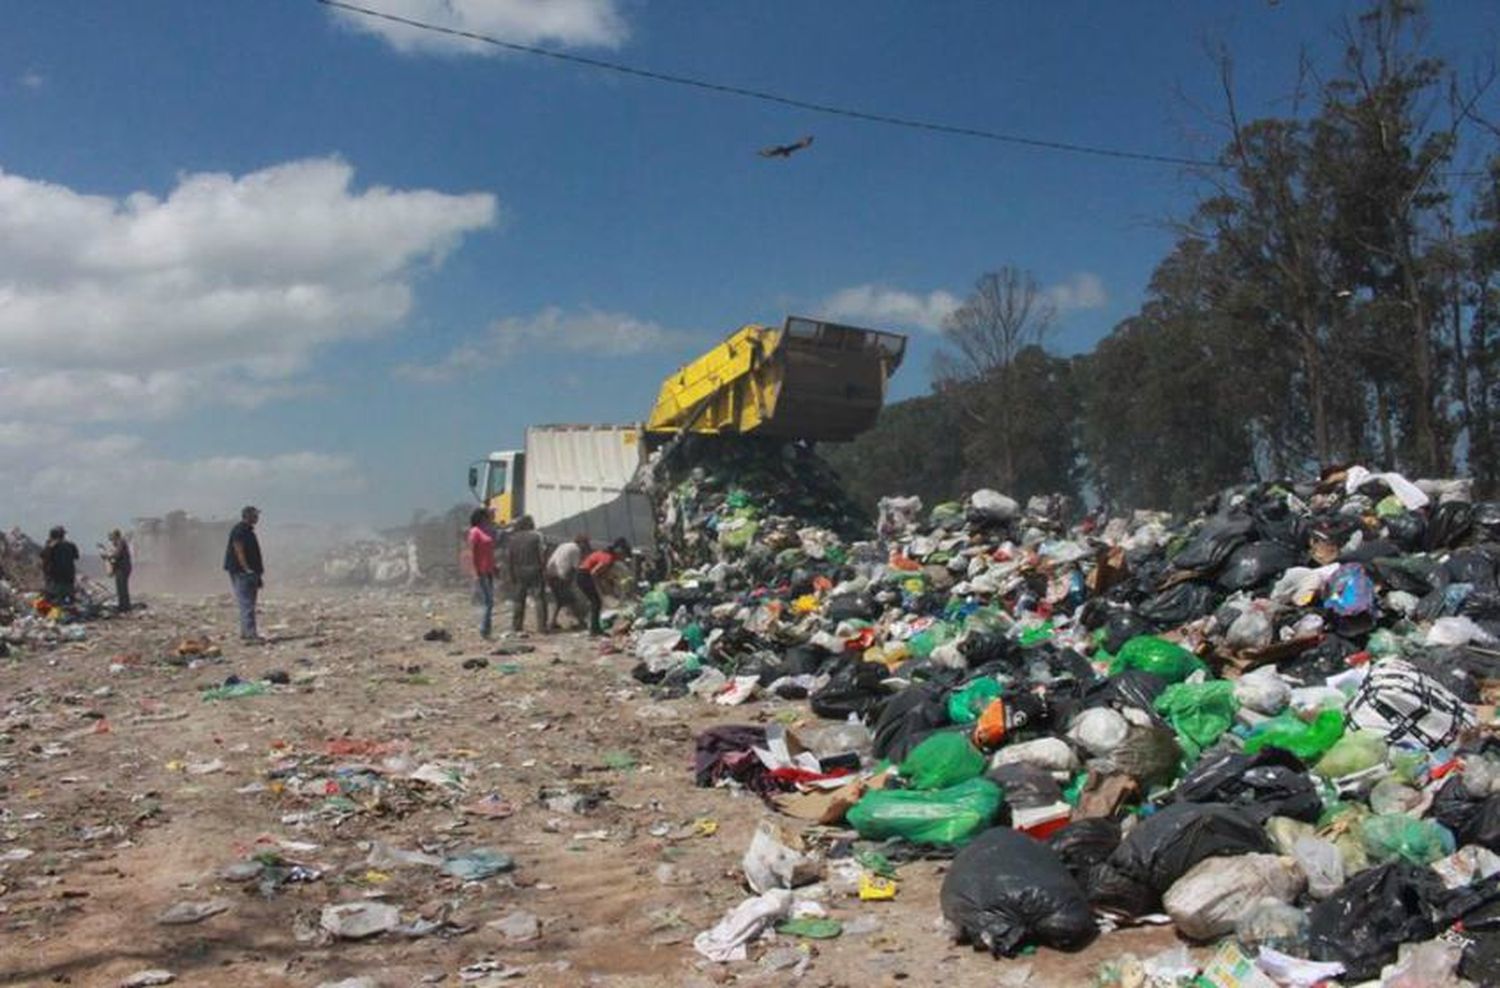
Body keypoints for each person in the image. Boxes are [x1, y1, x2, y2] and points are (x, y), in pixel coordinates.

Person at [223, 505, 264, 642]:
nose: (257, 517)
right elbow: (239, 550)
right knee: (247, 603)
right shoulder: (240, 530)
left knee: (248, 603)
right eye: (255, 515)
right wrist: (247, 569)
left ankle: (246, 633)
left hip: (249, 572)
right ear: (248, 516)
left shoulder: (248, 531)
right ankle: (250, 635)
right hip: (243, 573)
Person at [577, 537, 630, 636]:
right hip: (584, 575)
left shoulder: (606, 555)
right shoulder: (608, 558)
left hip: (582, 574)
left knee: (595, 602)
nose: (623, 557)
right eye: (623, 554)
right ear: (619, 551)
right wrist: (599, 587)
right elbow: (594, 572)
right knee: (596, 602)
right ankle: (594, 630)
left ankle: (595, 628)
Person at [505, 515, 548, 633]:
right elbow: (543, 553)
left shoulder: (513, 539)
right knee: (539, 599)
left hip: (519, 571)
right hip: (535, 570)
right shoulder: (537, 535)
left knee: (519, 599)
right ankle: (542, 627)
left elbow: (509, 559)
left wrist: (510, 574)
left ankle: (516, 627)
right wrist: (544, 570)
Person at [544, 534, 590, 631]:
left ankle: (552, 622)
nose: (585, 547)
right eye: (585, 544)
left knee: (559, 600)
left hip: (550, 574)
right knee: (572, 599)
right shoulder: (576, 549)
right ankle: (581, 622)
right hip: (561, 576)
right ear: (581, 543)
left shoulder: (563, 545)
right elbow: (576, 567)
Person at [467, 508, 497, 639]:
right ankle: (484, 629)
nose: (488, 519)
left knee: (489, 601)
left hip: (489, 570)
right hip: (481, 571)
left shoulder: (487, 530)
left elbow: (490, 552)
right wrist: (474, 571)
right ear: (480, 518)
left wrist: (495, 567)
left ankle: (487, 630)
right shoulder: (474, 532)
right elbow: (473, 553)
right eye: (486, 517)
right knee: (489, 602)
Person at [39, 526, 79, 604]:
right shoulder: (71, 545)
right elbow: (76, 556)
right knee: (68, 601)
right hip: (69, 579)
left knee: (53, 601)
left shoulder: (50, 547)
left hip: (55, 579)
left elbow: (43, 557)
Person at [104, 529, 132, 612]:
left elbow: (117, 555)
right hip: (122, 568)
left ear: (116, 536)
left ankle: (124, 606)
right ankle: (124, 605)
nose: (111, 540)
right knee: (122, 587)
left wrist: (108, 556)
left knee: (122, 587)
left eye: (112, 537)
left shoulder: (121, 542)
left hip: (122, 568)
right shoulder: (120, 543)